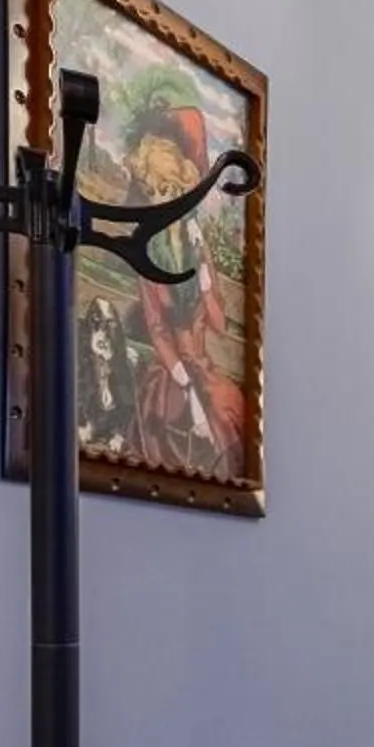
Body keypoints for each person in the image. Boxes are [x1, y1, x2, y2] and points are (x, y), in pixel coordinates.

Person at [119, 102, 246, 475]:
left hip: (203, 363)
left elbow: (220, 324)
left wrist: (206, 281)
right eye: (157, 192)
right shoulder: (148, 258)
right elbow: (158, 331)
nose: (165, 200)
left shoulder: (196, 246)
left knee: (231, 407)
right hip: (173, 369)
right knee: (187, 411)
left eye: (172, 189)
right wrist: (187, 387)